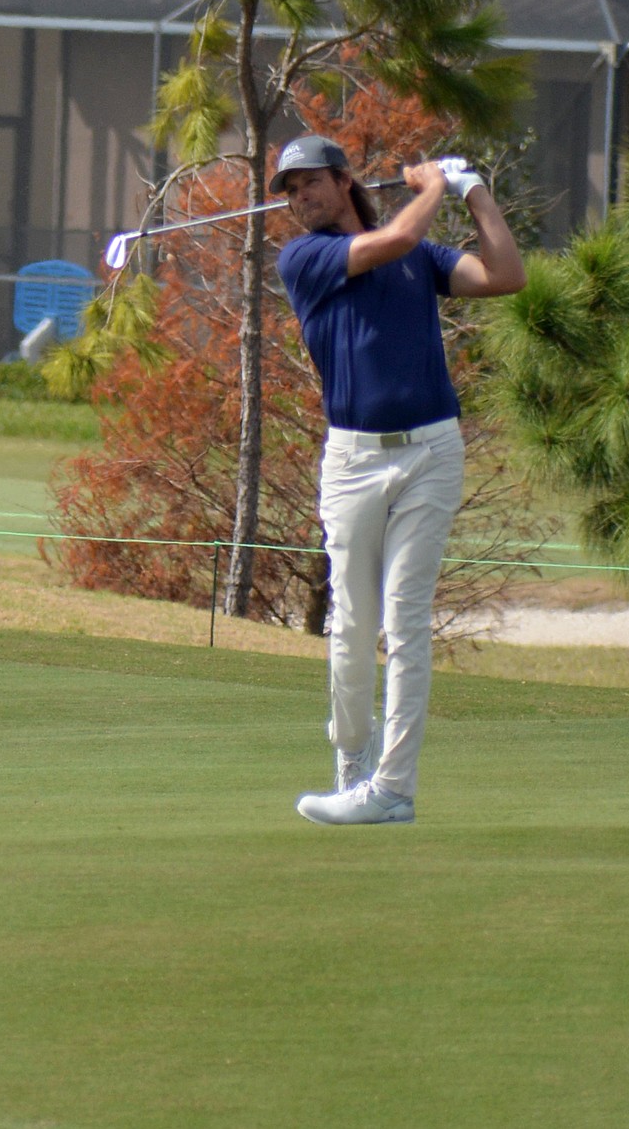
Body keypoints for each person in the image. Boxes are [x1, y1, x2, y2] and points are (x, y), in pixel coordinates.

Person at [270, 135, 526, 825]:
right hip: (353, 460)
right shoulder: (306, 257)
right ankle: (351, 759)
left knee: (405, 621)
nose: (300, 199)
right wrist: (431, 186)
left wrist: (471, 188)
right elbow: (387, 243)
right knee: (352, 623)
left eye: (311, 182)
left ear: (344, 179)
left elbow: (505, 275)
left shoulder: (420, 255)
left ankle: (392, 789)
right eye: (290, 190)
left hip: (431, 453)